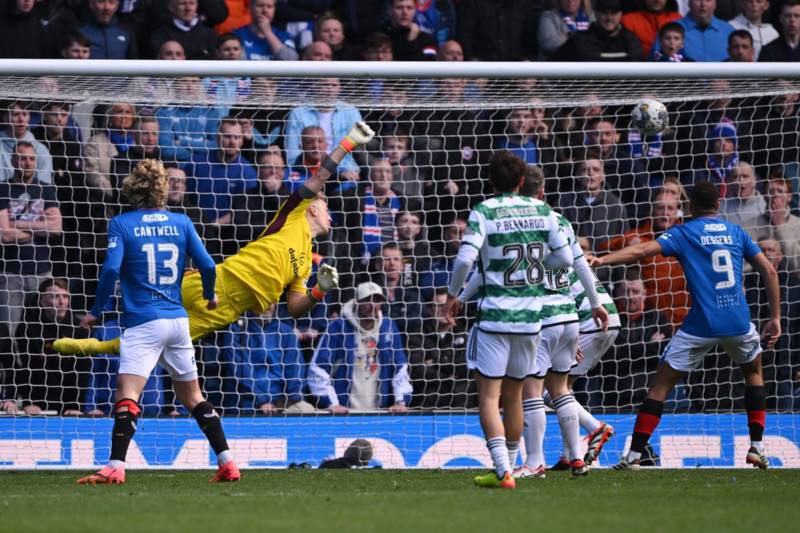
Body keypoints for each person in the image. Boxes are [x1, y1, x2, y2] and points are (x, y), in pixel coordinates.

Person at [53, 122, 375, 358]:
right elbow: (319, 177)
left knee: (156, 341)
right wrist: (348, 143)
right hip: (215, 281)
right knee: (142, 297)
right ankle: (98, 313)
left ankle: (95, 347)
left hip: (226, 311)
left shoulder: (305, 262)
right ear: (312, 207)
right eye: (325, 204)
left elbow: (293, 309)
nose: (329, 209)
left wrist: (320, 290)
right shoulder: (290, 216)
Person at [589, 181, 781, 470]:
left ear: (688, 206)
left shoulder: (684, 233)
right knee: (753, 374)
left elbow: (642, 251)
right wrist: (775, 317)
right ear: (718, 204)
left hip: (700, 324)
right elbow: (768, 269)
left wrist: (602, 258)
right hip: (738, 321)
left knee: (660, 387)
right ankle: (756, 447)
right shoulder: (735, 232)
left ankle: (634, 456)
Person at [73, 159, 237, 484]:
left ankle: (115, 466)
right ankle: (227, 461)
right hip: (177, 321)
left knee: (127, 392)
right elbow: (207, 265)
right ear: (163, 189)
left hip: (143, 321)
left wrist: (95, 310)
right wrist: (210, 295)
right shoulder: (182, 221)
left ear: (133, 188)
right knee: (193, 397)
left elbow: (109, 271)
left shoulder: (121, 223)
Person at [455, 165, 609, 479]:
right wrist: (595, 304)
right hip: (569, 315)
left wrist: (457, 296)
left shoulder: (504, 220)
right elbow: (576, 263)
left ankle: (533, 460)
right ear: (539, 191)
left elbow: (483, 271)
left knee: (530, 392)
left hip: (537, 314)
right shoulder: (559, 220)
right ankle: (576, 457)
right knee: (561, 388)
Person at [442, 151, 575, 489]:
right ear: (520, 181)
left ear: (490, 181)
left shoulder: (484, 211)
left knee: (489, 396)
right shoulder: (543, 211)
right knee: (515, 396)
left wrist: (453, 293)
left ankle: (502, 470)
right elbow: (564, 257)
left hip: (494, 320)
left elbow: (464, 259)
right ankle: (511, 468)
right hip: (531, 320)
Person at [307, 281, 412, 413]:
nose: (372, 305)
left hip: (379, 413)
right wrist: (332, 403)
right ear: (356, 302)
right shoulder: (338, 327)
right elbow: (318, 369)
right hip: (345, 413)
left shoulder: (389, 327)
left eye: (377, 300)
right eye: (367, 300)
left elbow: (400, 368)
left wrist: (400, 401)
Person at [0, 142, 62, 336]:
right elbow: (4, 234)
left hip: (42, 271)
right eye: (22, 158)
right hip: (10, 273)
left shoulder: (46, 190)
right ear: (13, 160)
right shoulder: (3, 190)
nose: (27, 163)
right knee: (8, 329)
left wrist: (16, 223)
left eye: (31, 158)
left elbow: (56, 228)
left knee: (44, 328)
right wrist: (39, 226)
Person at [13, 278, 90, 415]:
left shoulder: (80, 329)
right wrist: (30, 402)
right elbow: (27, 366)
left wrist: (76, 405)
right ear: (42, 302)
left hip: (70, 403)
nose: (61, 302)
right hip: (38, 402)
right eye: (55, 296)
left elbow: (82, 371)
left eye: (65, 296)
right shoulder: (28, 329)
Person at [554, 0, 644, 61]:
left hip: (624, 89)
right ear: (596, 14)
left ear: (621, 14)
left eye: (614, 13)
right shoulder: (579, 40)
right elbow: (554, 66)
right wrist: (582, 87)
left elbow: (641, 77)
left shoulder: (632, 40)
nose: (609, 18)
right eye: (604, 13)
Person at [232, 0, 298, 61]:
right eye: (260, 6)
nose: (265, 10)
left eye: (269, 6)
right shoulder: (237, 35)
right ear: (250, 8)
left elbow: (291, 59)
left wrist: (268, 32)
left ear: (274, 10)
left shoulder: (284, 35)